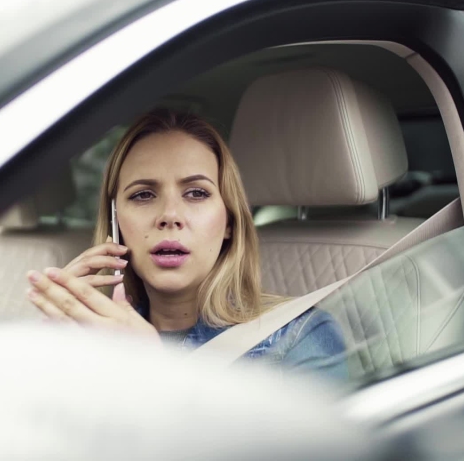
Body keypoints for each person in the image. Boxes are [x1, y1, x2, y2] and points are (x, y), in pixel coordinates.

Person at [26, 109, 347, 380]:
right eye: (143, 195)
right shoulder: (86, 338)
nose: (169, 216)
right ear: (115, 222)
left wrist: (152, 373)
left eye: (196, 193)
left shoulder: (299, 338)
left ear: (230, 223)